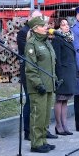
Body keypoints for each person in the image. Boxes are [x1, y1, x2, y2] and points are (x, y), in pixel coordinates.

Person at [17, 10, 57, 141]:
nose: (47, 27)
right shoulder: (31, 42)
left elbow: (51, 63)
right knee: (37, 112)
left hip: (48, 82)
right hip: (38, 83)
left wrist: (54, 79)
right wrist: (38, 84)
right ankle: (35, 139)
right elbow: (31, 67)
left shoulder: (45, 42)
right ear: (35, 28)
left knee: (45, 114)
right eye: (43, 25)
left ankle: (43, 138)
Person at [51, 18, 79, 135]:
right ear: (58, 27)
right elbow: (56, 58)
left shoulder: (68, 39)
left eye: (67, 24)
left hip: (70, 72)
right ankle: (58, 126)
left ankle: (64, 125)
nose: (66, 26)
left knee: (65, 101)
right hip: (63, 73)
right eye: (63, 25)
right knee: (60, 99)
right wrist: (59, 75)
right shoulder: (57, 39)